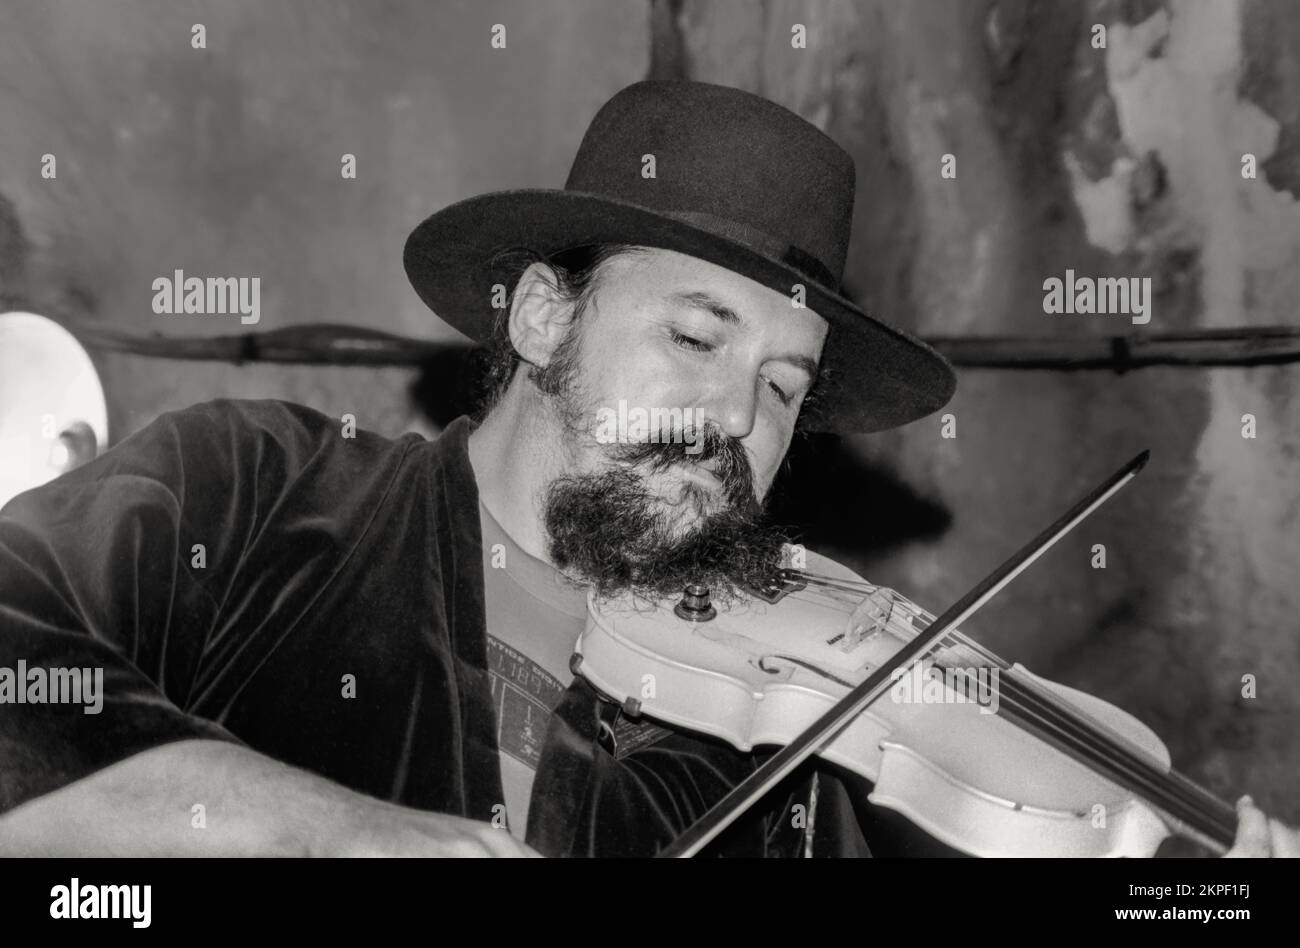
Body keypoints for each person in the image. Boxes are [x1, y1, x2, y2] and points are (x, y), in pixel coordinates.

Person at [0, 80, 1293, 857]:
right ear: (543, 319)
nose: (736, 416)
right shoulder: (259, 490)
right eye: (694, 335)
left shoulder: (775, 750)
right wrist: (340, 835)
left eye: (785, 389)